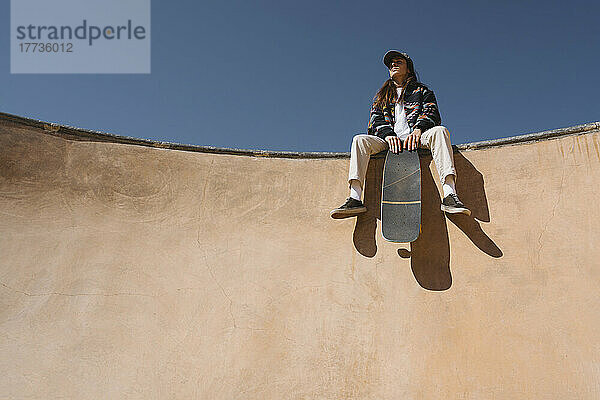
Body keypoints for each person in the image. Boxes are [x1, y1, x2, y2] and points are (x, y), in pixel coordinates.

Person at [330, 50, 470, 219]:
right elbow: (375, 119)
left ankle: (449, 195)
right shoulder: (382, 95)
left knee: (440, 132)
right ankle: (355, 197)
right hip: (388, 141)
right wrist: (388, 135)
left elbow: (431, 112)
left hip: (416, 138)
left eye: (398, 61)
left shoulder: (422, 90)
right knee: (359, 140)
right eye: (391, 63)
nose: (393, 64)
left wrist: (418, 130)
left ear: (409, 68)